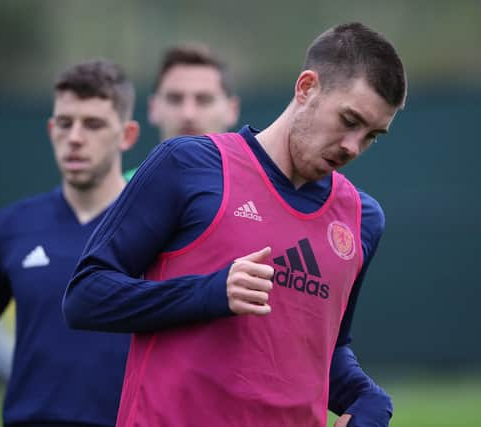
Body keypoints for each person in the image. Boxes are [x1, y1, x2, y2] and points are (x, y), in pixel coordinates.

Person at [64, 22, 406, 427]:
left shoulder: (361, 219)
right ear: (307, 88)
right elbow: (86, 296)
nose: (353, 146)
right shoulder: (187, 165)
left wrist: (366, 398)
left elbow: (327, 349)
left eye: (372, 136)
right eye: (349, 120)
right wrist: (207, 292)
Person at [0, 59, 139, 427]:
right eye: (65, 123)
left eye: (93, 124)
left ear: (127, 135)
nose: (75, 137)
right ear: (50, 129)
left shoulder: (156, 227)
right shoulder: (13, 226)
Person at [124, 43, 240, 180]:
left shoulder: (256, 191)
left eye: (204, 100)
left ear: (232, 110)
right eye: (175, 99)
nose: (188, 114)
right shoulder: (122, 194)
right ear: (153, 108)